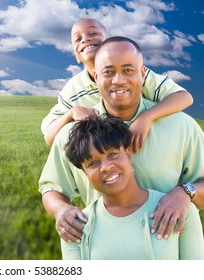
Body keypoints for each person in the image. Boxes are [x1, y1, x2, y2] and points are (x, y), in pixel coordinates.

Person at [38, 36, 204, 248]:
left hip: (169, 251)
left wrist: (186, 192)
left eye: (128, 70)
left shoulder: (181, 126)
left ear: (142, 74)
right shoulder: (73, 134)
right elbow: (51, 188)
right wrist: (60, 209)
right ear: (96, 76)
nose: (118, 80)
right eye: (108, 72)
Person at [61, 115, 204, 259]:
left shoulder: (179, 210)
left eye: (112, 154)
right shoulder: (74, 227)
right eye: (93, 163)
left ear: (128, 155)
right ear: (85, 173)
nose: (105, 167)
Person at [41, 18, 193, 151]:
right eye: (78, 39)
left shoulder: (134, 74)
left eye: (93, 33)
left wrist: (146, 117)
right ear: (76, 55)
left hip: (149, 143)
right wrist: (71, 113)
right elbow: (49, 137)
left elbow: (184, 97)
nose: (85, 39)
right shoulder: (73, 89)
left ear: (109, 43)